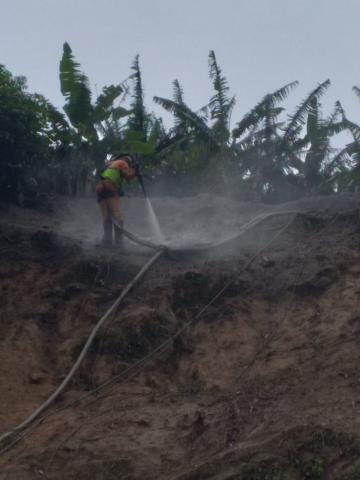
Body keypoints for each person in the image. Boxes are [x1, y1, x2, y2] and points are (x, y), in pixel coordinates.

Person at [96, 153, 137, 245]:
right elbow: (128, 176)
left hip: (100, 187)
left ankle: (107, 240)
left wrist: (120, 191)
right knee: (118, 217)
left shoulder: (110, 164)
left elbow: (111, 178)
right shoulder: (123, 162)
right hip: (109, 185)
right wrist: (135, 172)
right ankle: (119, 241)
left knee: (106, 216)